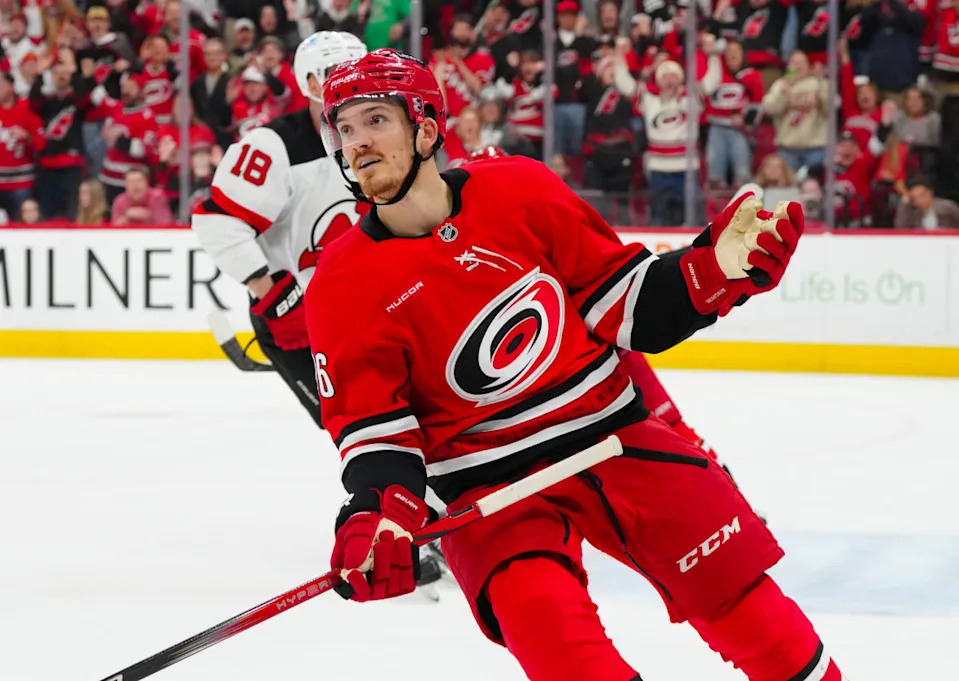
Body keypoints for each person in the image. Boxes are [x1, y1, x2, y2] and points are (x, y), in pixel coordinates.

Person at [307, 49, 842, 681]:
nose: (357, 143)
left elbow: (623, 303)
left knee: (756, 620)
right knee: (568, 661)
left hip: (615, 440)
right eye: (344, 129)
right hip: (490, 493)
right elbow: (375, 427)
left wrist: (706, 275)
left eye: (374, 120)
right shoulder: (340, 283)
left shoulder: (519, 189)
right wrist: (377, 510)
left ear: (425, 127)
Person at [192, 31, 368, 430]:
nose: (352, 81)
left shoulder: (385, 131)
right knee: (353, 427)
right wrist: (269, 291)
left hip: (372, 308)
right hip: (300, 317)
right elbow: (217, 219)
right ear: (309, 83)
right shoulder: (273, 146)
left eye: (359, 70)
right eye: (335, 72)